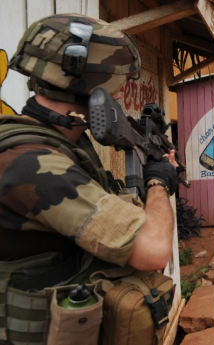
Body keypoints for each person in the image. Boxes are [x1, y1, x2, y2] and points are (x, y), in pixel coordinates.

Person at [0, 13, 178, 344]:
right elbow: (152, 249)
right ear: (98, 85)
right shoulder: (32, 162)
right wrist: (159, 182)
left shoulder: (62, 141)